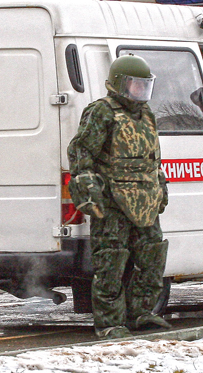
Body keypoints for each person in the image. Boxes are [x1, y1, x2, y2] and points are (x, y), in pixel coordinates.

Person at [67, 54, 171, 340]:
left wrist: (160, 187)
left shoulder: (148, 115)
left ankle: (141, 312)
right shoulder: (102, 112)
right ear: (118, 84)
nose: (140, 92)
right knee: (111, 262)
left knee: (152, 257)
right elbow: (81, 151)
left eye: (143, 86)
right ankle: (110, 322)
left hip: (145, 201)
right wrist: (86, 183)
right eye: (134, 86)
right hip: (113, 202)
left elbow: (153, 160)